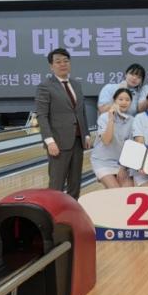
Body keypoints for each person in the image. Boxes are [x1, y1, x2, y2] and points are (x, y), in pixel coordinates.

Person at [35, 48, 91, 199]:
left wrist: (86, 134)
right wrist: (49, 141)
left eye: (66, 61)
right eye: (58, 62)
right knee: (57, 183)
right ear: (51, 66)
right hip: (58, 142)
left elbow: (81, 111)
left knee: (75, 182)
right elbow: (42, 116)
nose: (63, 64)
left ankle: (72, 210)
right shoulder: (45, 86)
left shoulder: (76, 84)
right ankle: (53, 211)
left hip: (78, 140)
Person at [91, 88, 135, 188]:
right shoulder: (104, 117)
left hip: (122, 163)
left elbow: (130, 148)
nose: (124, 102)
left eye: (127, 100)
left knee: (128, 191)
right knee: (115, 190)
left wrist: (123, 168)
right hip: (103, 161)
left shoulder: (132, 121)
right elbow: (106, 141)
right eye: (120, 99)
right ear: (114, 101)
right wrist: (111, 118)